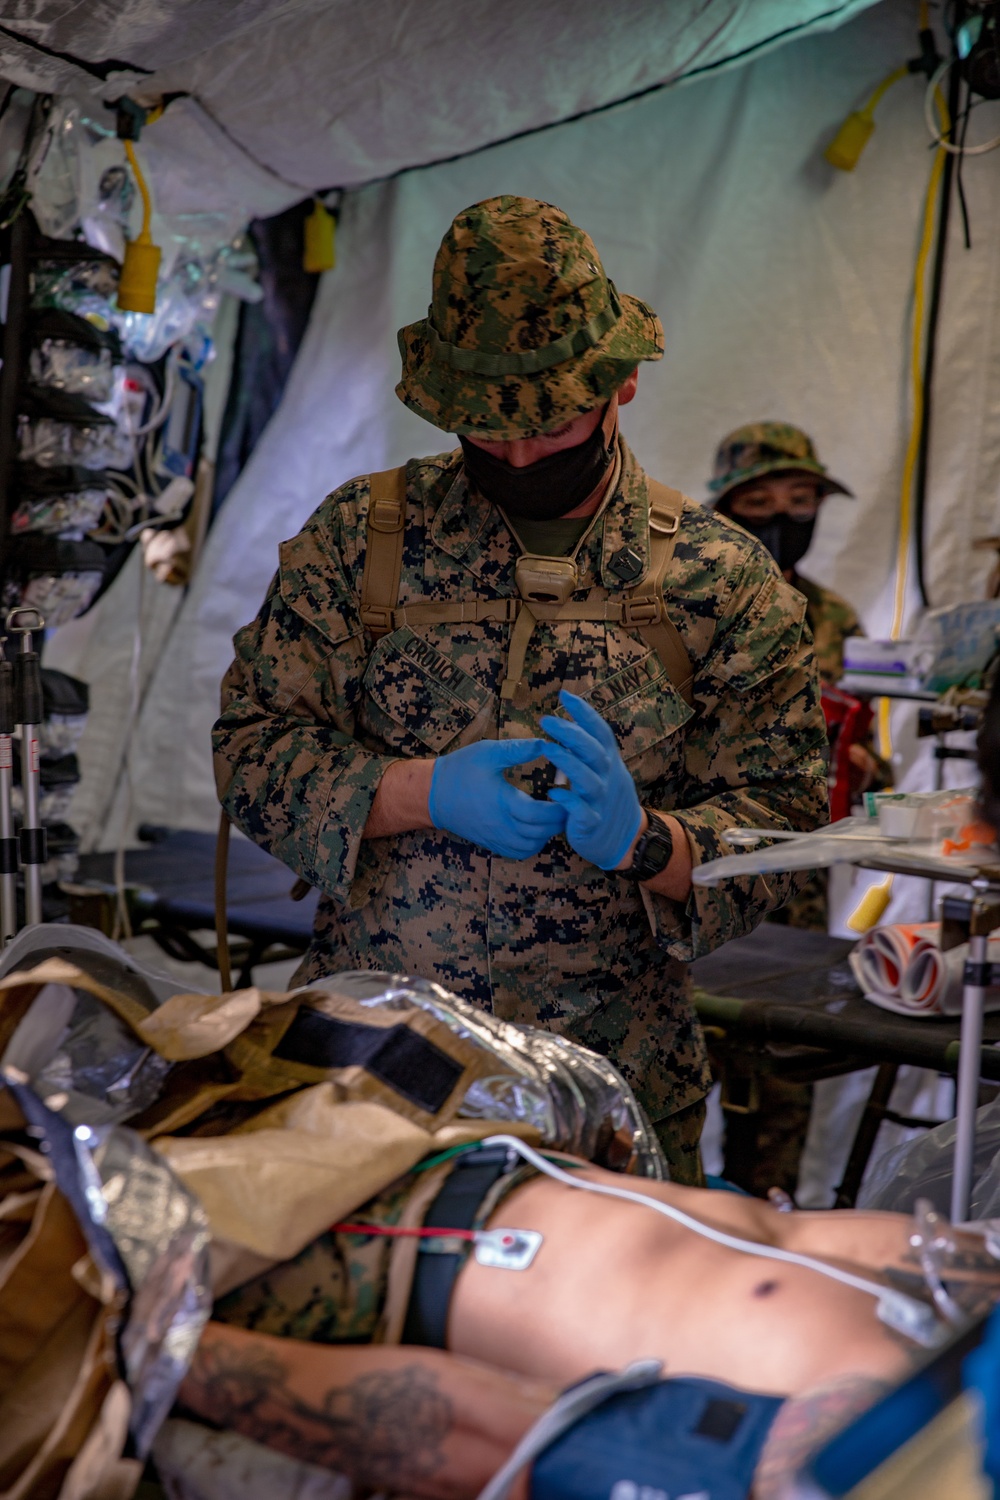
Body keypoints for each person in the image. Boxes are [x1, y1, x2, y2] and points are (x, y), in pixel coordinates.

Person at [213, 197, 829, 1184]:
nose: (518, 455)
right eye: (485, 430)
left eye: (551, 425)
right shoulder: (358, 539)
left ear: (622, 382)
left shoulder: (720, 578)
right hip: (376, 1070)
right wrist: (416, 791)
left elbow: (791, 824)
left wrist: (654, 843)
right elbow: (250, 750)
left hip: (607, 1088)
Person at [177, 1141, 1000, 1500]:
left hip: (366, 1263)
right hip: (461, 1127)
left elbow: (490, 1440)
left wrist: (168, 1349)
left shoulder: (871, 1459)